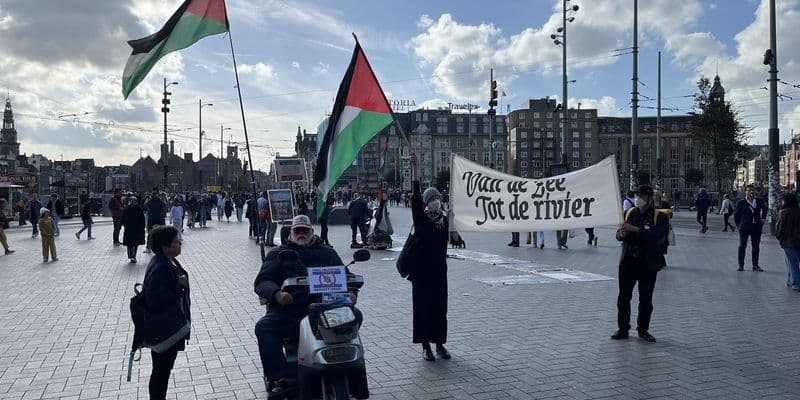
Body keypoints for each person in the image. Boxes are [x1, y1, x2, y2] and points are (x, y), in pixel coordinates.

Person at [253, 215, 359, 398]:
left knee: (355, 316)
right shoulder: (279, 254)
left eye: (305, 230)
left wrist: (351, 292)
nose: (301, 233)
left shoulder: (327, 252)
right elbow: (262, 281)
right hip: (291, 310)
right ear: (291, 233)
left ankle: (354, 372)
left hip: (327, 311)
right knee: (264, 327)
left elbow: (346, 275)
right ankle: (280, 378)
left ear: (312, 231)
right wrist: (277, 294)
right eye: (297, 230)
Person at [407, 154, 451, 361]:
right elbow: (415, 198)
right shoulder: (421, 219)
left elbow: (454, 239)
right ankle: (426, 346)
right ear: (426, 203)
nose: (435, 201)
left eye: (437, 198)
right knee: (422, 308)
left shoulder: (444, 220)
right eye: (431, 199)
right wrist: (415, 171)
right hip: (422, 273)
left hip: (439, 271)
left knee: (440, 309)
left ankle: (440, 344)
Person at [612, 185, 668, 343]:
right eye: (638, 196)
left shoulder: (660, 216)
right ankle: (623, 328)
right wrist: (621, 233)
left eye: (642, 197)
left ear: (650, 199)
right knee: (624, 296)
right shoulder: (629, 213)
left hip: (648, 263)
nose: (639, 199)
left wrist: (635, 230)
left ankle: (643, 330)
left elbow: (657, 237)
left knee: (646, 298)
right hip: (628, 261)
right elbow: (619, 234)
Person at [142, 226, 190, 400]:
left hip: (170, 327)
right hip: (164, 329)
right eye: (177, 242)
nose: (180, 244)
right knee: (161, 370)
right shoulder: (161, 266)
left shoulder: (167, 261)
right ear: (165, 246)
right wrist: (179, 287)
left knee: (163, 369)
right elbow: (154, 299)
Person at [734, 184, 768, 272]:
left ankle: (755, 265)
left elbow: (765, 209)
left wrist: (763, 218)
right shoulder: (741, 202)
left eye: (752, 190)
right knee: (742, 246)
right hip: (745, 227)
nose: (751, 192)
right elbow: (736, 215)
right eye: (749, 190)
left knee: (756, 246)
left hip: (756, 226)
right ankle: (741, 265)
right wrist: (739, 225)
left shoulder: (759, 201)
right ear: (745, 192)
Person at [776, 193, 800, 291]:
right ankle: (790, 280)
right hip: (798, 241)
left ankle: (795, 282)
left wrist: (780, 238)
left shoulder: (784, 212)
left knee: (791, 262)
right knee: (793, 261)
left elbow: (780, 229)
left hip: (788, 241)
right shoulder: (798, 211)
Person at [122, 197, 146, 263]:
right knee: (135, 243)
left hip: (128, 228)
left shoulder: (126, 209)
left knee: (129, 243)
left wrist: (125, 225)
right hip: (137, 229)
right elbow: (142, 219)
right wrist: (142, 227)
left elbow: (122, 219)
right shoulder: (139, 209)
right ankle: (133, 256)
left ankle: (129, 255)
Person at [144, 188, 167, 252]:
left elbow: (165, 206)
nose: (155, 195)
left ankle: (161, 247)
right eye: (153, 193)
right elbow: (144, 206)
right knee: (150, 233)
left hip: (160, 218)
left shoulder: (161, 199)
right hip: (151, 218)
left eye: (156, 193)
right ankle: (148, 247)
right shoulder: (150, 200)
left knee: (161, 233)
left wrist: (159, 199)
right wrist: (150, 199)